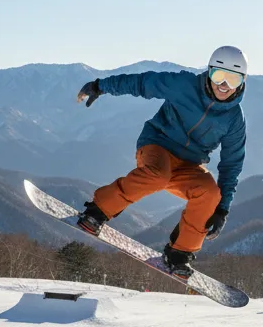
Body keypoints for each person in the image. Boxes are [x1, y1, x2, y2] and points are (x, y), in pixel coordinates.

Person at [75, 46, 248, 278]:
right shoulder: (184, 85)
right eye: (219, 76)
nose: (223, 86)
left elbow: (231, 165)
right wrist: (100, 86)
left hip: (188, 166)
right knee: (158, 175)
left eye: (232, 79)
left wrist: (223, 209)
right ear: (209, 72)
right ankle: (97, 212)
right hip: (157, 146)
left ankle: (179, 254)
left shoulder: (234, 119)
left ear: (242, 82)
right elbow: (142, 83)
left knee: (210, 193)